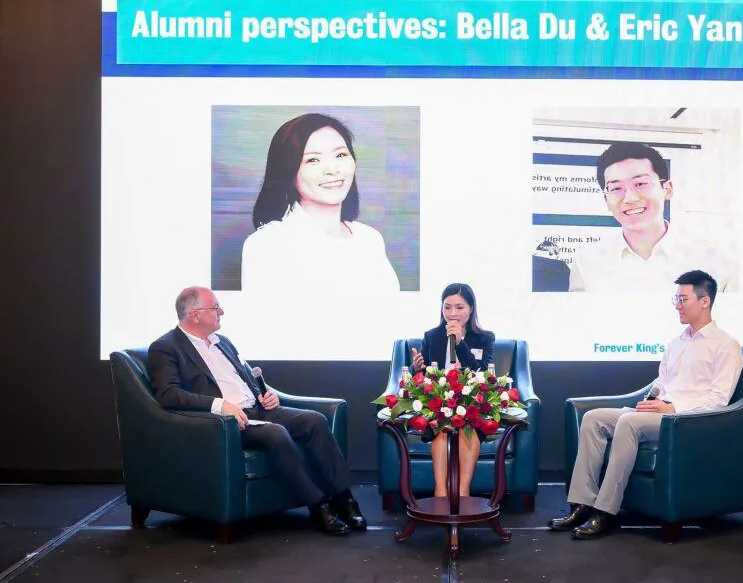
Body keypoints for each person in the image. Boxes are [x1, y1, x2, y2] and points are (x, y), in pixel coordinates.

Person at [148, 286, 368, 535]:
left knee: (315, 421)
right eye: (215, 307)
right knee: (276, 434)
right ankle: (318, 507)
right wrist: (220, 405)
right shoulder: (165, 347)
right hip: (226, 421)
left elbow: (244, 379)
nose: (222, 311)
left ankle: (345, 500)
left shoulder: (223, 342)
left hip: (256, 409)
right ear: (194, 315)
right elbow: (168, 394)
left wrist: (264, 394)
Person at [549, 270, 743, 539]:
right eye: (675, 299)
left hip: (686, 421)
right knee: (594, 418)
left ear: (705, 301)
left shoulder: (726, 345)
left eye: (683, 299)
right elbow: (663, 382)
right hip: (659, 413)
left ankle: (606, 512)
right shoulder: (677, 343)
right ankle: (583, 503)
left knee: (629, 423)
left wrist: (673, 408)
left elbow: (719, 399)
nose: (677, 305)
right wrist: (652, 400)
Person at [241, 113, 400, 294]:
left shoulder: (370, 238)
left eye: (340, 154)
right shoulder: (267, 245)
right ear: (288, 171)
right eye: (312, 160)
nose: (332, 169)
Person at [567, 141, 733, 293]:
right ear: (606, 200)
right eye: (616, 188)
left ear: (667, 189)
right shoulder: (587, 262)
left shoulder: (713, 262)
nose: (630, 198)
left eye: (640, 184)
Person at [410, 283, 495, 498]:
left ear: (471, 308)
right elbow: (426, 377)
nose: (452, 314)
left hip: (471, 402)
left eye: (459, 307)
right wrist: (417, 368)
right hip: (440, 402)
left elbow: (483, 376)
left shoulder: (485, 338)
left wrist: (460, 343)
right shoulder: (432, 336)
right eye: (447, 307)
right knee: (441, 425)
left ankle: (462, 494)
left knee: (469, 427)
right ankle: (440, 493)